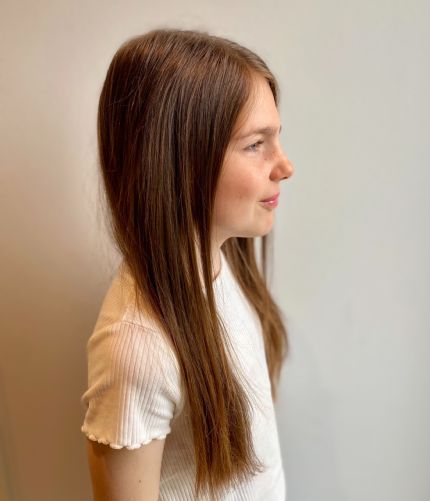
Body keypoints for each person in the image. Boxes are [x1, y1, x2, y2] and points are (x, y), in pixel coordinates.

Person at [80, 27, 295, 501]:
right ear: (181, 161)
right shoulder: (136, 347)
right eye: (256, 144)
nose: (285, 166)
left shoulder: (225, 259)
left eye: (276, 139)